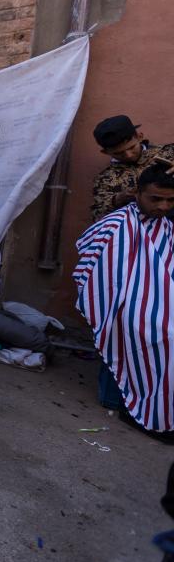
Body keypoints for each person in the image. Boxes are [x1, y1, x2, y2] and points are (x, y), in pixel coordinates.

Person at [75, 163, 174, 444]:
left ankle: (158, 404)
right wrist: (129, 296)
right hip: (120, 301)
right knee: (161, 333)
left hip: (157, 299)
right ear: (138, 194)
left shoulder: (166, 228)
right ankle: (131, 405)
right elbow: (91, 264)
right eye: (156, 199)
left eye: (170, 200)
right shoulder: (117, 223)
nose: (163, 206)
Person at [90, 115, 174, 221]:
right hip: (143, 234)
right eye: (119, 153)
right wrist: (117, 200)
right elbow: (98, 218)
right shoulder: (105, 179)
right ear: (105, 152)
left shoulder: (168, 152)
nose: (128, 155)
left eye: (131, 147)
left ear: (139, 137)